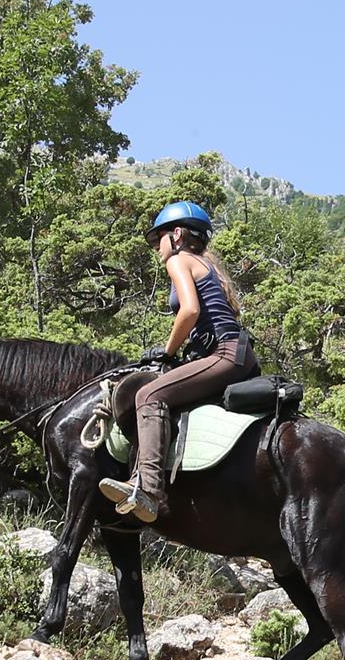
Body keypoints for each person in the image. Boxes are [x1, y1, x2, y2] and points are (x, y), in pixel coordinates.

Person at [99, 200, 260, 524]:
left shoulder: (179, 260)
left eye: (158, 238)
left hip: (226, 354)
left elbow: (189, 312)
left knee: (148, 395)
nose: (157, 247)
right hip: (234, 354)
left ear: (176, 235)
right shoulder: (207, 265)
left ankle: (147, 489)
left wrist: (167, 352)